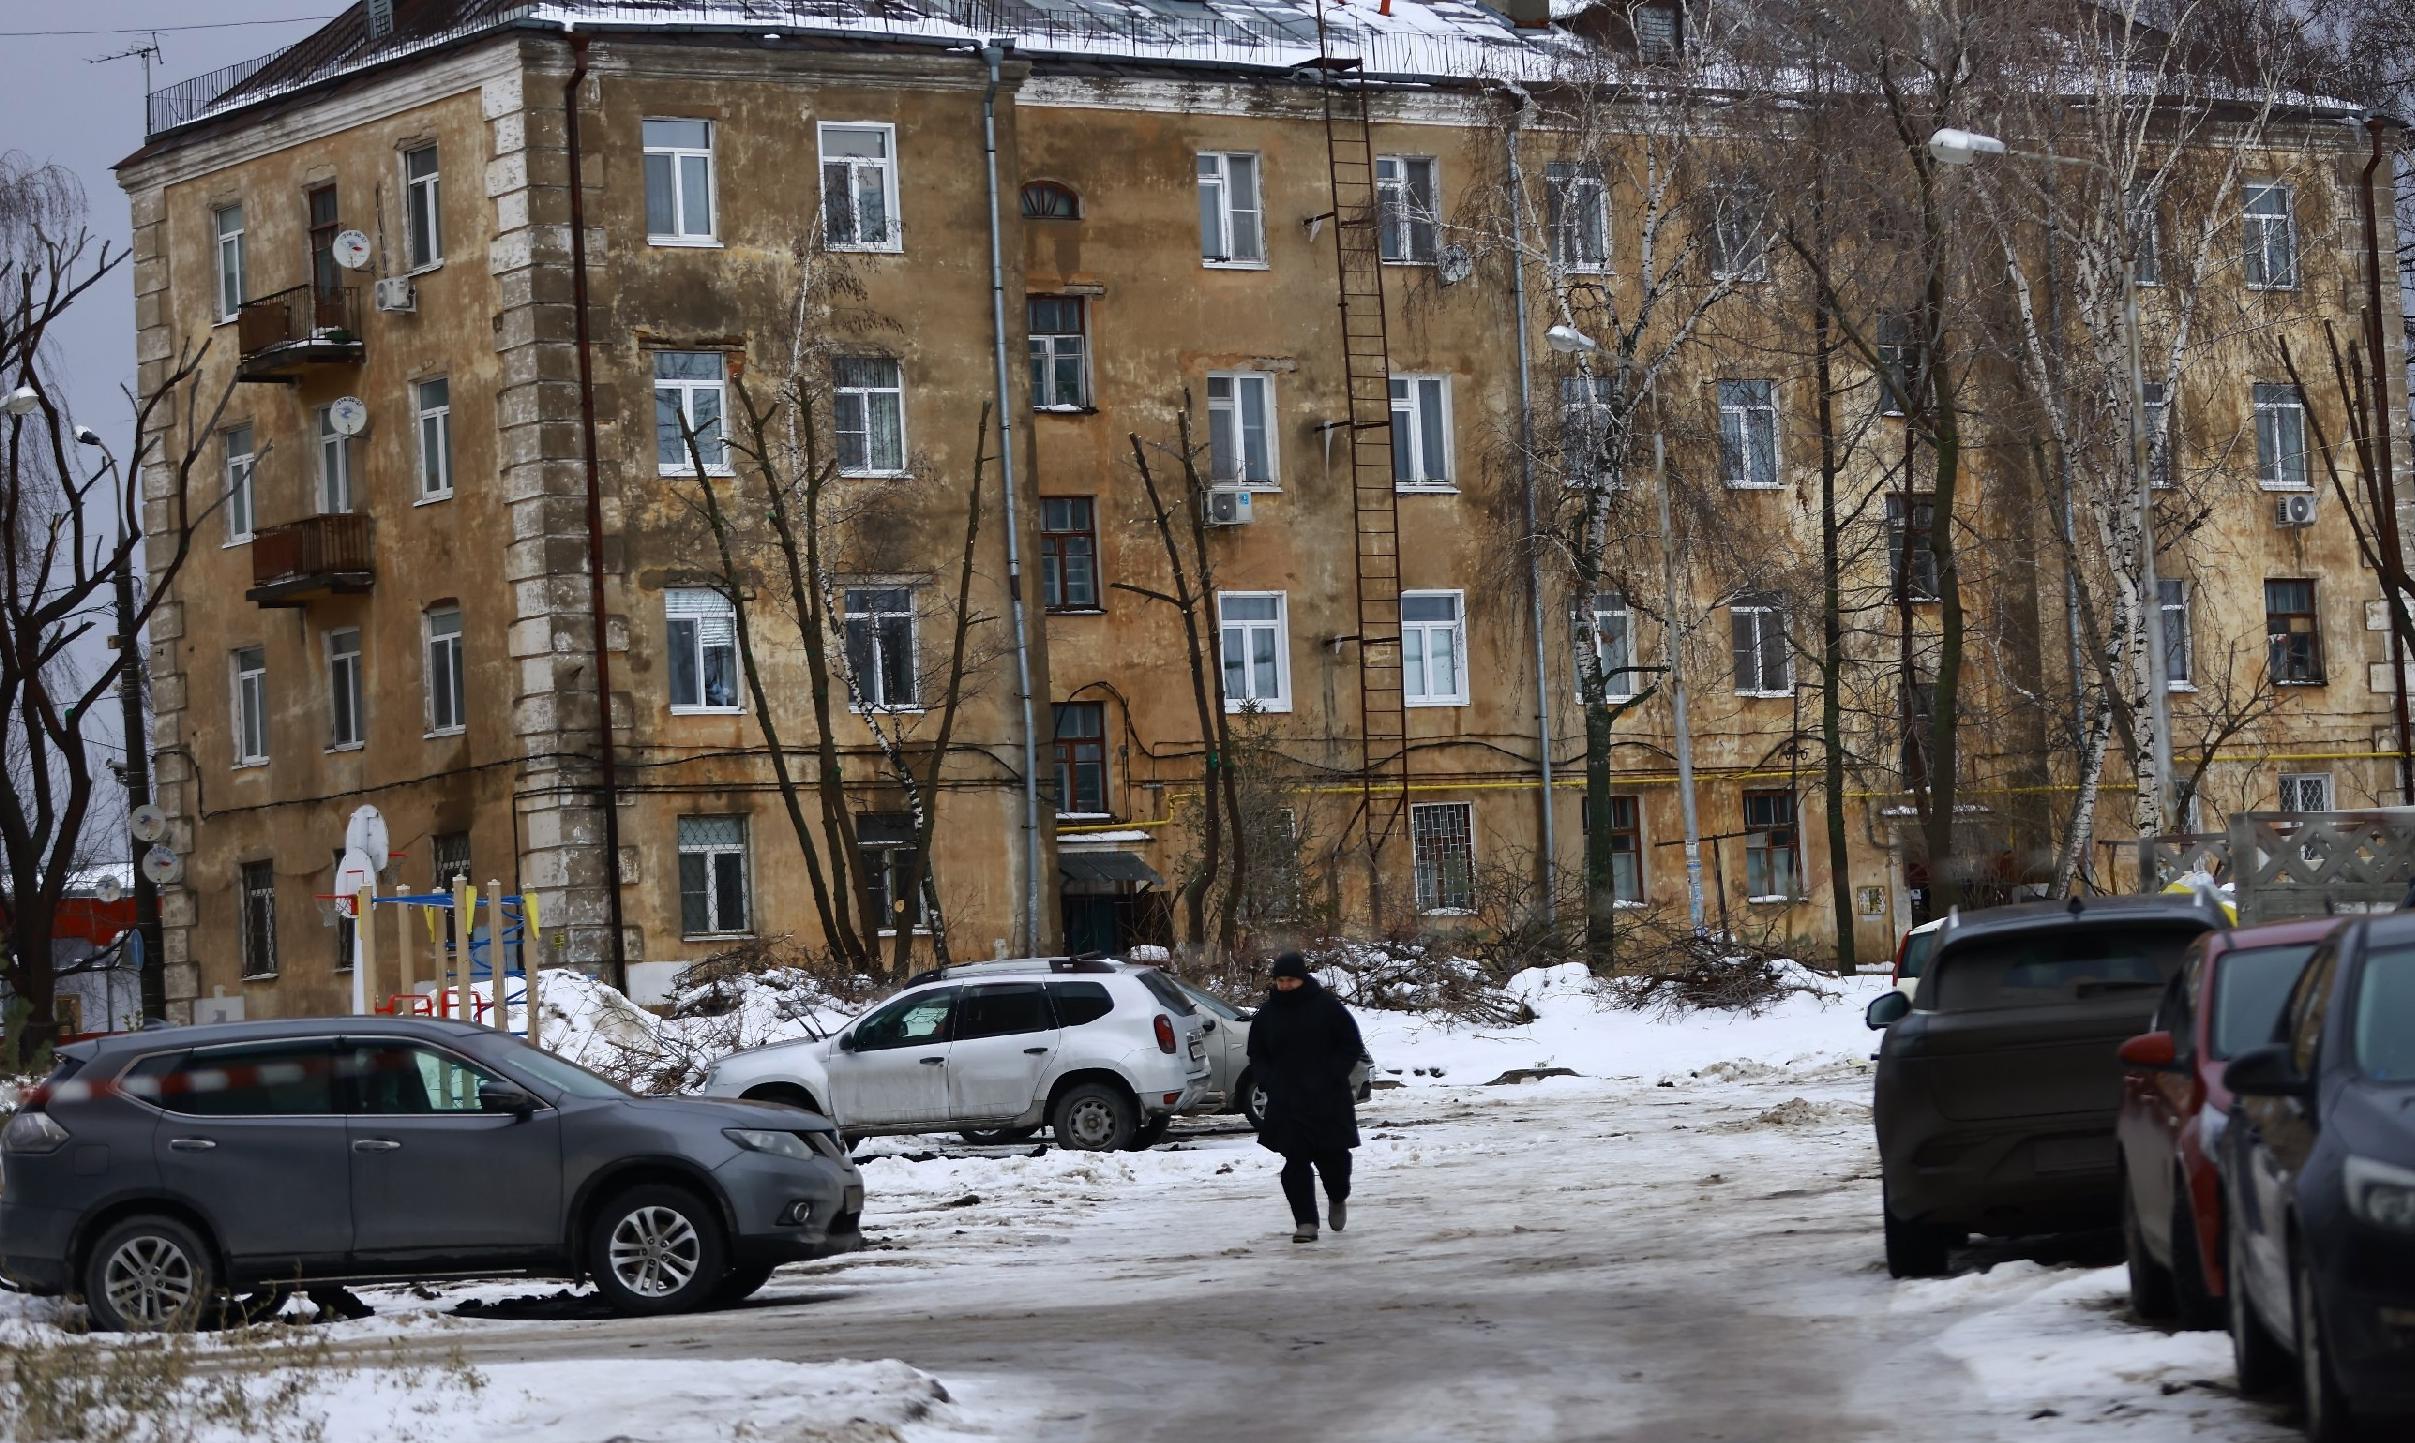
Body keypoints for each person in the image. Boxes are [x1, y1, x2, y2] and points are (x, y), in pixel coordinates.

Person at [1247, 953, 1364, 1243]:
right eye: (1280, 980)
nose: (1284, 986)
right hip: (1287, 1101)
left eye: (1290, 980)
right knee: (1294, 1164)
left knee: (1334, 1161)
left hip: (1327, 1100)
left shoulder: (1327, 1008)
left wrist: (1332, 1074)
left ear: (1302, 979)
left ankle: (1338, 1196)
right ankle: (1306, 1223)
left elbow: (1351, 1045)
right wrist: (1267, 1079)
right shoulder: (1267, 1014)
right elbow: (1256, 1052)